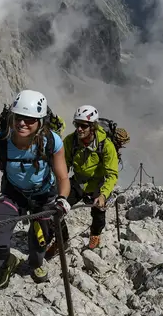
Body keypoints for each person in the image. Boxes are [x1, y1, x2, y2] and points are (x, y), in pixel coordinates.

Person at [0, 89, 71, 289]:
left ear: (40, 122)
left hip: (44, 196)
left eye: (29, 119)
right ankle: (6, 263)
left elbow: (63, 176)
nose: (22, 123)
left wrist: (62, 199)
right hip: (14, 196)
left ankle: (36, 263)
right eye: (18, 117)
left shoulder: (52, 142)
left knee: (39, 244)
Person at [46, 105, 119, 255]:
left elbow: (112, 174)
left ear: (93, 127)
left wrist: (104, 195)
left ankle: (95, 234)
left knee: (98, 214)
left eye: (83, 126)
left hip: (97, 183)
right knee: (55, 210)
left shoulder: (106, 145)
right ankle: (62, 241)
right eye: (77, 124)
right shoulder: (70, 141)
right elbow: (62, 166)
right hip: (77, 182)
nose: (79, 129)